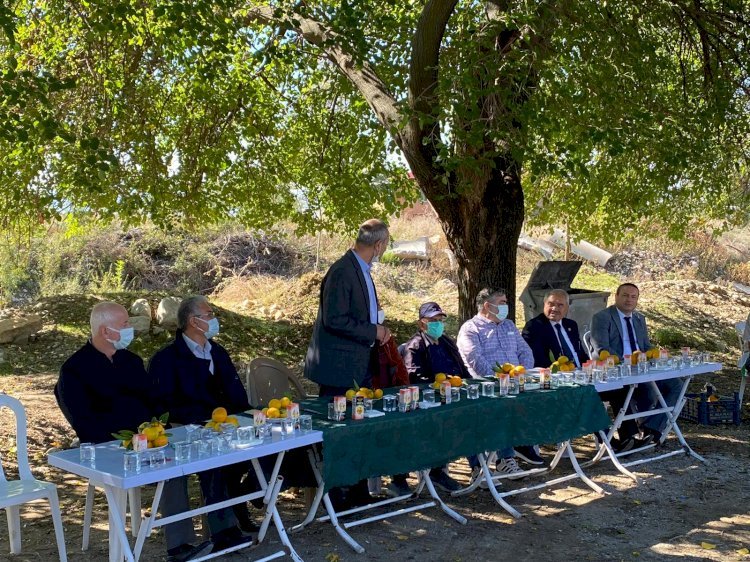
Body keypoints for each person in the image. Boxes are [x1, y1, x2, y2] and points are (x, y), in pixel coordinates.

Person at [55, 302, 212, 562]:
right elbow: (84, 423)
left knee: (191, 453)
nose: (131, 329)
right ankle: (180, 548)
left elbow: (155, 402)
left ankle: (221, 529)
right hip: (108, 448)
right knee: (169, 470)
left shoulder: (131, 361)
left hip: (149, 440)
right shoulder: (74, 370)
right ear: (106, 331)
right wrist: (129, 439)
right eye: (125, 324)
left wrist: (158, 427)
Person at [148, 295, 252, 553]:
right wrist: (201, 421)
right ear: (194, 322)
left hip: (227, 425)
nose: (214, 319)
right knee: (211, 457)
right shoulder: (166, 359)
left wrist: (245, 418)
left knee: (272, 446)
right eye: (209, 314)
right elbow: (163, 405)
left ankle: (238, 512)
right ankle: (215, 533)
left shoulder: (218, 352)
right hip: (188, 429)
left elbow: (237, 395)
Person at [304, 218, 392, 507]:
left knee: (358, 425)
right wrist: (372, 330)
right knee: (339, 430)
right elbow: (335, 319)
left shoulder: (361, 270)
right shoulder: (343, 271)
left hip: (358, 362)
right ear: (378, 245)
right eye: (386, 244)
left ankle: (356, 489)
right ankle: (338, 495)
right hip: (339, 366)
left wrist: (376, 322)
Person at [457, 288, 537, 479]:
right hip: (486, 386)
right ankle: (503, 458)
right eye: (502, 302)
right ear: (487, 306)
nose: (505, 306)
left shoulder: (509, 325)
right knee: (498, 409)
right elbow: (475, 360)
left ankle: (520, 450)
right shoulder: (470, 328)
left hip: (517, 383)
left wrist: (521, 373)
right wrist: (501, 377)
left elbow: (525, 351)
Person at [590, 283, 681, 450]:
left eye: (633, 297)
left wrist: (656, 354)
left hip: (641, 368)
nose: (629, 300)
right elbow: (601, 347)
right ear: (616, 296)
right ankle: (632, 434)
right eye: (625, 295)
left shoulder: (639, 318)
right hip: (616, 369)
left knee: (676, 385)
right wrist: (626, 361)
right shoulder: (602, 317)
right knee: (644, 389)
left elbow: (645, 345)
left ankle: (652, 429)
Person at [397, 301, 467, 494]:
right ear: (422, 324)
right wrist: (438, 384)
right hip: (427, 400)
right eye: (432, 320)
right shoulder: (415, 346)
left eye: (439, 320)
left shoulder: (447, 342)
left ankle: (441, 470)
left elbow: (462, 369)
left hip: (453, 397)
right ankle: (433, 471)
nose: (437, 324)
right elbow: (413, 377)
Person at [522, 289, 588, 370]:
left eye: (560, 305)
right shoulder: (534, 326)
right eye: (551, 304)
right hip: (557, 374)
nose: (554, 309)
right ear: (544, 305)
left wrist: (590, 366)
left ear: (567, 307)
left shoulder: (571, 325)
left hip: (580, 373)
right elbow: (538, 359)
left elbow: (580, 353)